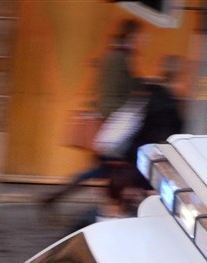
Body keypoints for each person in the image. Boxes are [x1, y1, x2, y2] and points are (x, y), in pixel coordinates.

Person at [41, 17, 142, 209]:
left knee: (103, 169)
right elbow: (125, 87)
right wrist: (144, 85)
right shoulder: (121, 58)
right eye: (140, 37)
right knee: (109, 168)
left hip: (106, 118)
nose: (142, 41)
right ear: (132, 35)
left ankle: (56, 196)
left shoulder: (112, 55)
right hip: (112, 122)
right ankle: (115, 209)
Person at [105, 56, 188, 218]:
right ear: (178, 74)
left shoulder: (156, 93)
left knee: (142, 190)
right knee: (149, 191)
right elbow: (166, 129)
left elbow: (144, 125)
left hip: (144, 152)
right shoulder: (167, 98)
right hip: (155, 153)